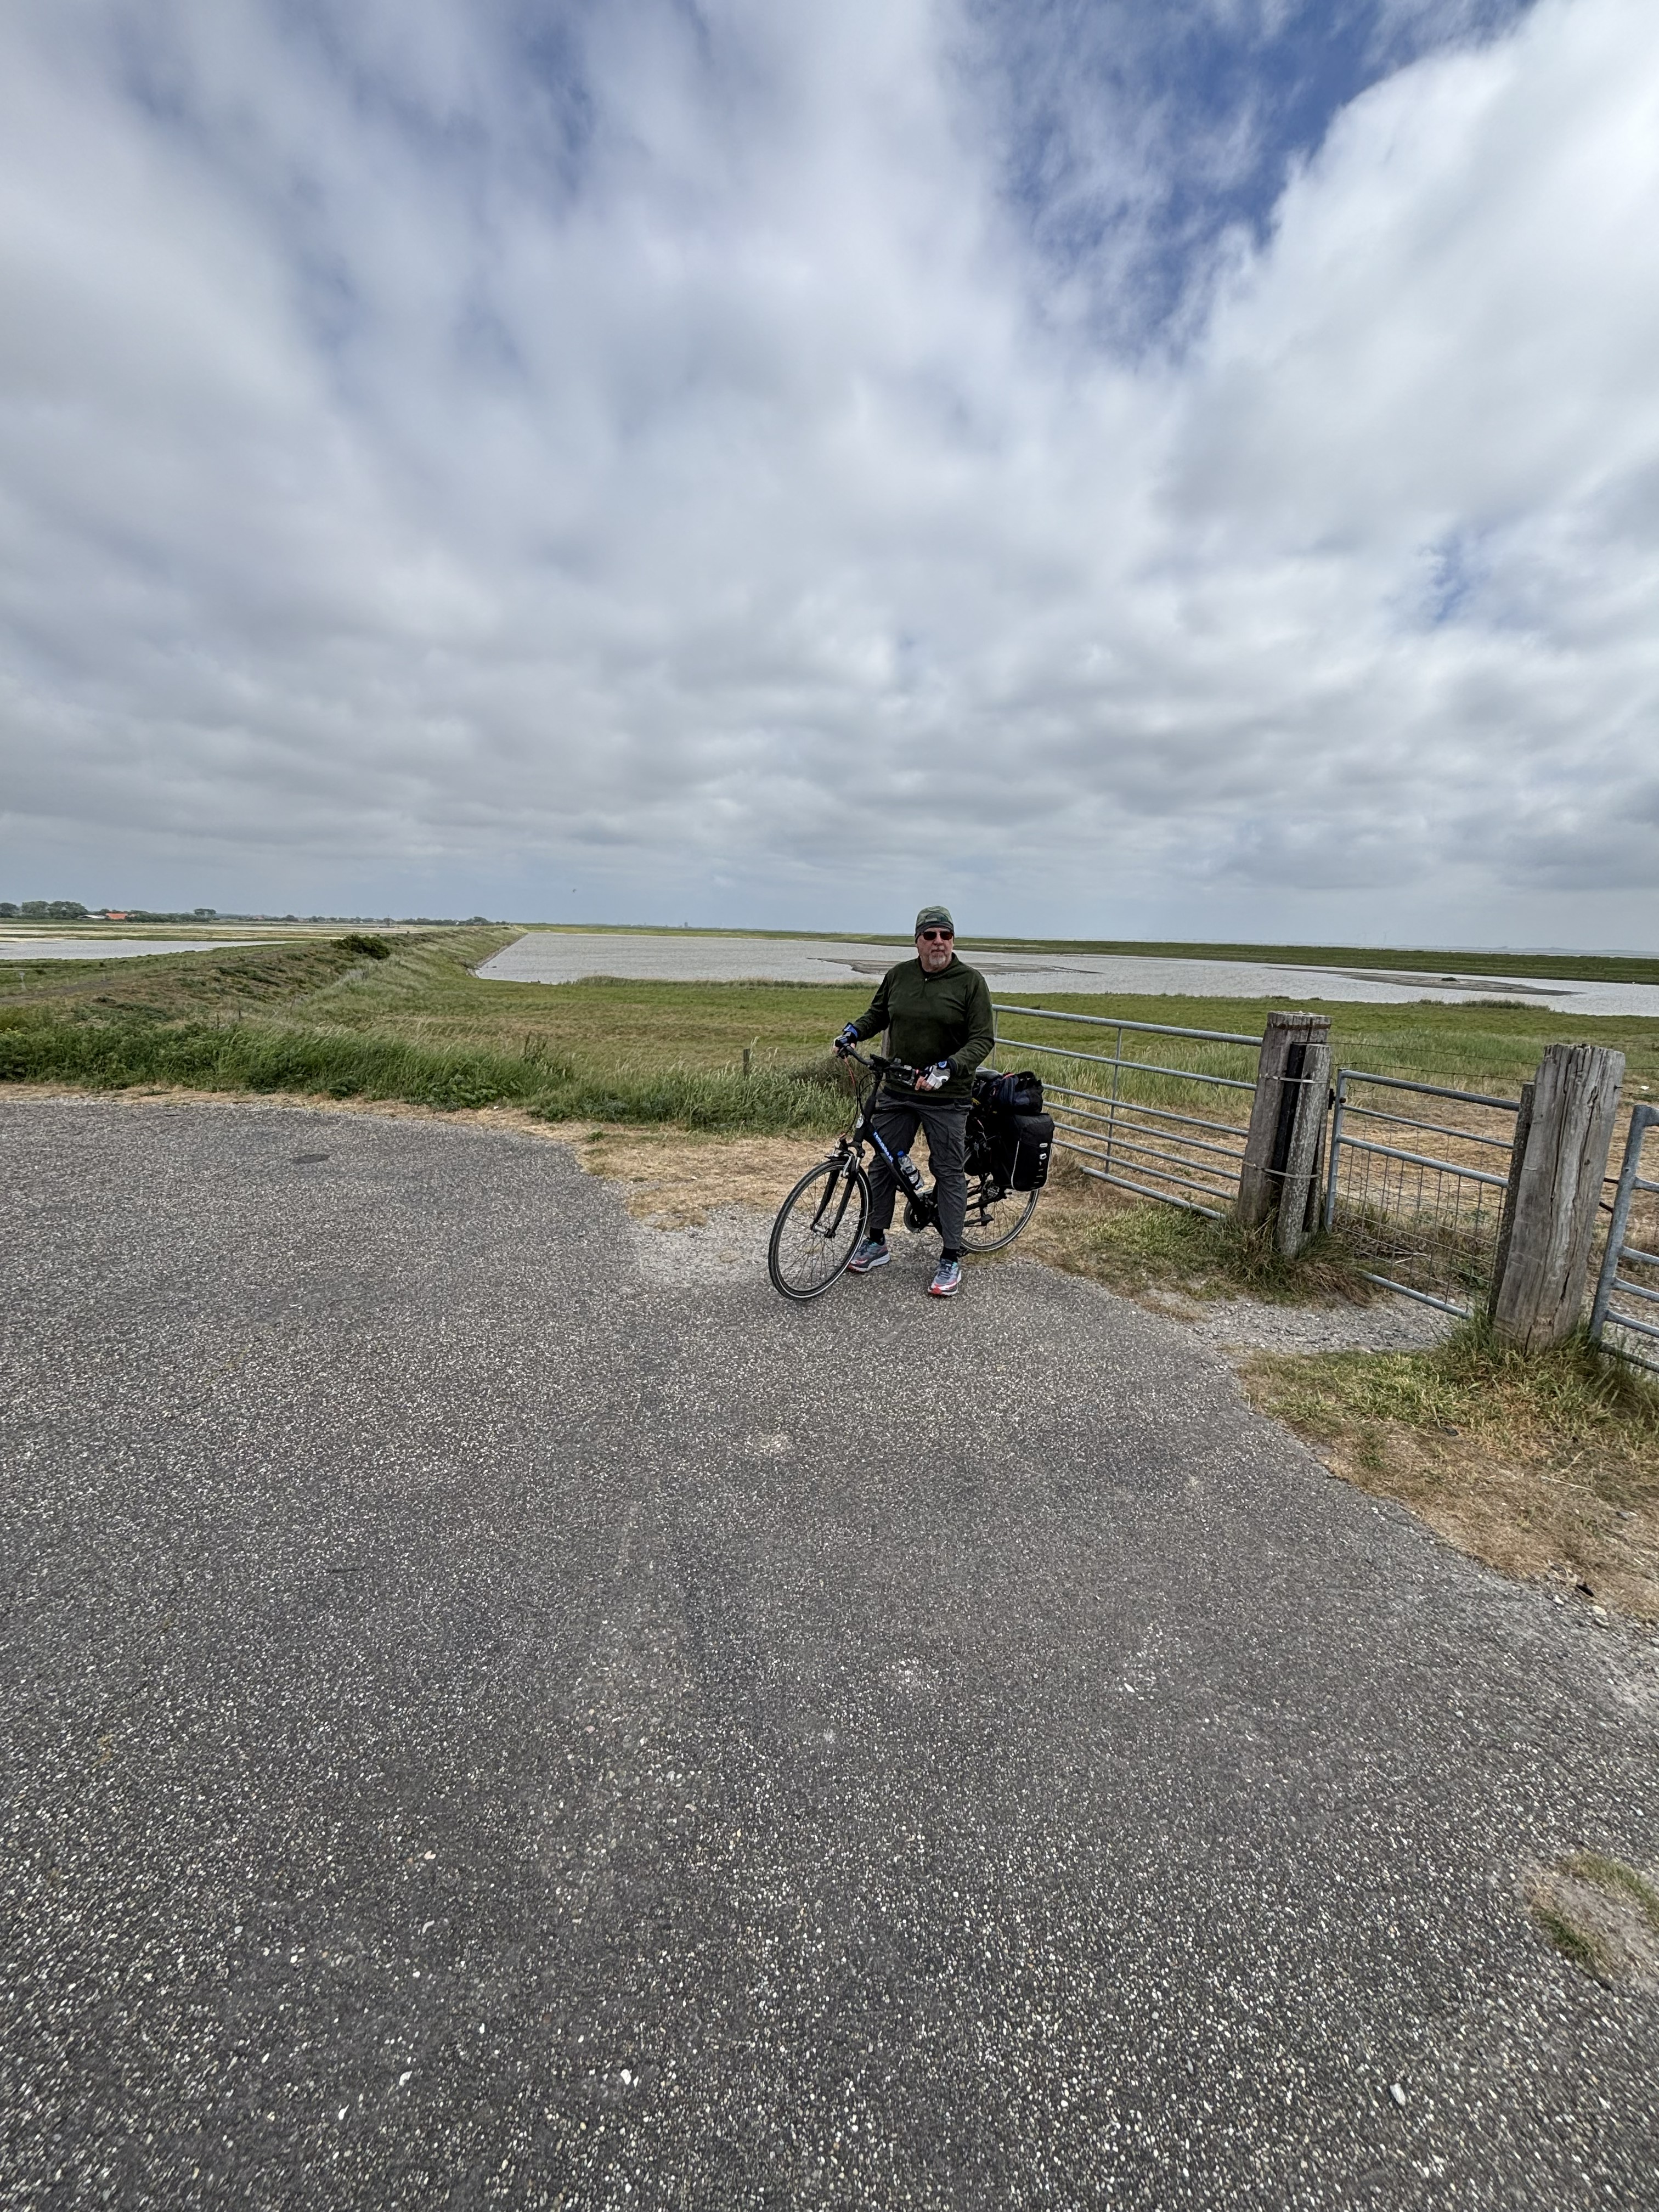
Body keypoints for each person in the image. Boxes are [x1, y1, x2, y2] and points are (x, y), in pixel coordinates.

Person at [832, 905, 994, 1298]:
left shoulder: (970, 982)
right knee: (883, 1164)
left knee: (949, 1170)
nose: (938, 942)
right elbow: (878, 1014)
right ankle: (876, 1241)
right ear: (917, 940)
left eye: (945, 935)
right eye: (930, 935)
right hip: (899, 1089)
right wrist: (853, 1032)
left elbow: (983, 1039)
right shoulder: (899, 976)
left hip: (948, 1096)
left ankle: (951, 1256)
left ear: (952, 940)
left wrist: (949, 1067)